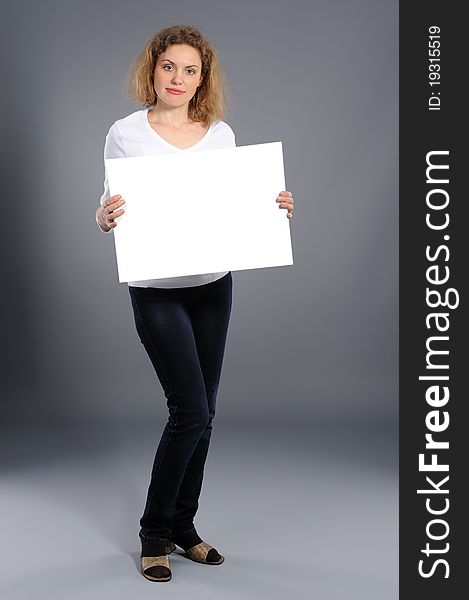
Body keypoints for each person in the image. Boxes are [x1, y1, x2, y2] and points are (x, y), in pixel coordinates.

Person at [96, 24, 294, 583]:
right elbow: (105, 204)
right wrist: (103, 216)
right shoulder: (125, 132)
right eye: (169, 67)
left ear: (202, 79)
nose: (178, 78)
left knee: (205, 414)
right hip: (157, 290)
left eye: (190, 70)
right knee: (192, 411)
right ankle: (154, 534)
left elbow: (235, 204)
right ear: (152, 69)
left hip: (213, 285)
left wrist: (273, 204)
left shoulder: (219, 134)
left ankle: (185, 530)